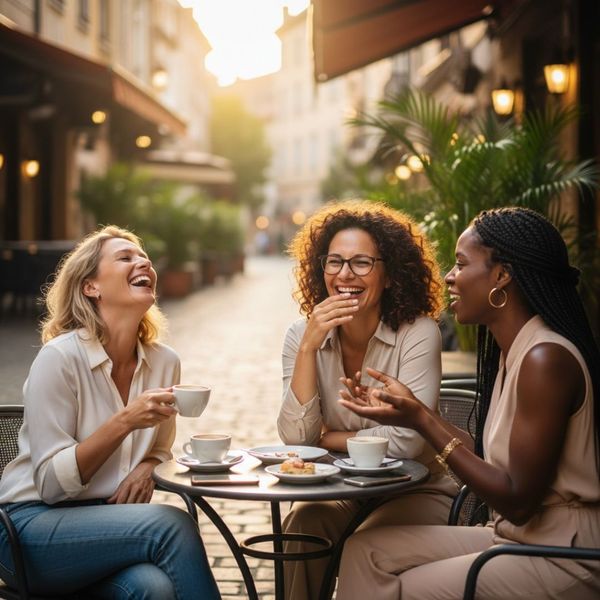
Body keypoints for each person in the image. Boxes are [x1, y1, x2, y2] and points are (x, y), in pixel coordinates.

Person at [337, 207, 600, 599]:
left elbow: (517, 501)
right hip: (517, 537)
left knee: (393, 588)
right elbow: (490, 458)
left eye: (461, 264)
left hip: (563, 553)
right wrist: (415, 414)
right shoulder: (515, 350)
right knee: (364, 552)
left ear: (501, 275)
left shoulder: (545, 360)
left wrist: (424, 422)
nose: (449, 276)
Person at [0, 226, 220, 599]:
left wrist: (148, 466)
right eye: (125, 257)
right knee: (169, 524)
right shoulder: (59, 359)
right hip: (29, 530)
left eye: (143, 257)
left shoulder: (165, 363)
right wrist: (125, 420)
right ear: (91, 287)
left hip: (107, 528)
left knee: (154, 589)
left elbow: (160, 449)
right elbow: (52, 486)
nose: (143, 262)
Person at [277, 200, 458, 600]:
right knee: (303, 523)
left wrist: (328, 438)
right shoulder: (301, 335)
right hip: (338, 486)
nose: (345, 274)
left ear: (389, 273)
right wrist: (308, 348)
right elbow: (295, 439)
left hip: (414, 489)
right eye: (335, 262)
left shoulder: (418, 333)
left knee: (365, 540)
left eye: (362, 263)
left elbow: (409, 443)